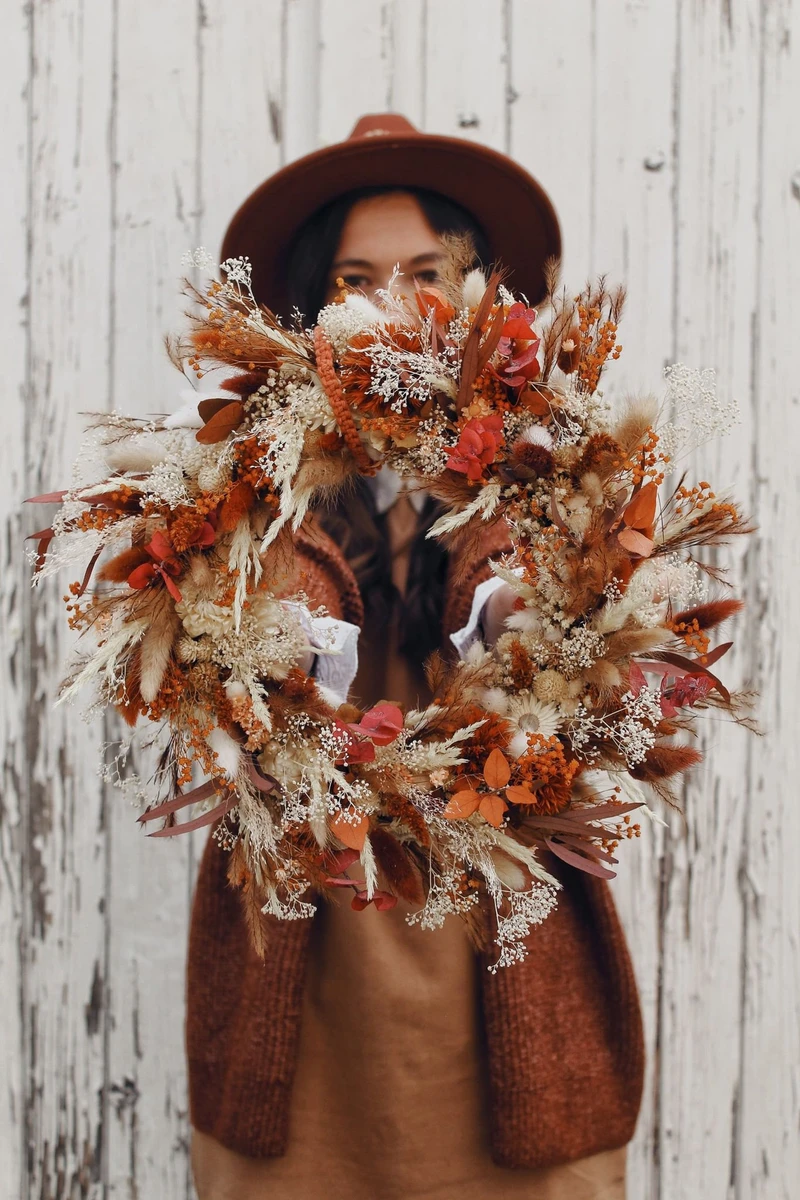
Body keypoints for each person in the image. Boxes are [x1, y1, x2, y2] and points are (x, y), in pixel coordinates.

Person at [186, 115, 644, 1200]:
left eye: (425, 272)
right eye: (356, 276)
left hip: (499, 935)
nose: (394, 301)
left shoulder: (542, 461)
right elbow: (274, 587)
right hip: (306, 936)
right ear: (313, 307)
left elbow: (522, 584)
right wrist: (280, 649)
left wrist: (518, 618)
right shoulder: (253, 470)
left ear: (477, 292)